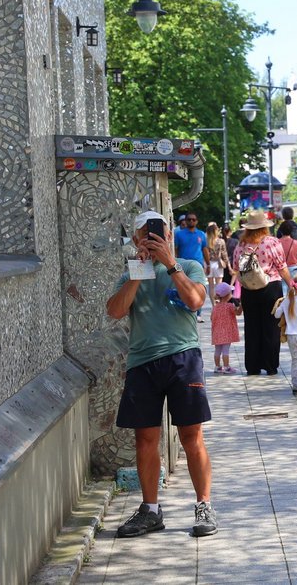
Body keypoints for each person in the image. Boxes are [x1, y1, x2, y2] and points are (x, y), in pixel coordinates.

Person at [106, 210, 218, 538]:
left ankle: (204, 505)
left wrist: (171, 265)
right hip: (142, 363)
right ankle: (151, 510)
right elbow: (115, 310)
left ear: (169, 237)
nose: (154, 241)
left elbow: (196, 300)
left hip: (183, 358)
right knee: (145, 438)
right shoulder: (132, 273)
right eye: (147, 236)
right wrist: (139, 272)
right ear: (137, 240)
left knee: (191, 436)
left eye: (160, 235)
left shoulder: (189, 266)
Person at [231, 210, 296, 377]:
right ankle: (270, 365)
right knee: (270, 328)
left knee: (252, 327)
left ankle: (252, 366)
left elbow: (236, 268)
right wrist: (291, 284)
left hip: (248, 290)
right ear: (264, 227)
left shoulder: (241, 244)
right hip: (270, 287)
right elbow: (281, 267)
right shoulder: (271, 242)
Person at [173, 212, 209, 323]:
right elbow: (176, 249)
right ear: (186, 221)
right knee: (183, 287)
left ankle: (198, 313)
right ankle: (185, 309)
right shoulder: (179, 234)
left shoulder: (201, 234)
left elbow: (205, 249)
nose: (191, 221)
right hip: (183, 265)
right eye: (189, 219)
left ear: (197, 221)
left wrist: (208, 263)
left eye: (193, 219)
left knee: (199, 288)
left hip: (198, 265)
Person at [210, 282, 241, 374]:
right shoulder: (230, 306)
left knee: (217, 350)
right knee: (225, 351)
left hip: (217, 333)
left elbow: (211, 318)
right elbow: (238, 313)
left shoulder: (215, 307)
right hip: (227, 333)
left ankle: (217, 367)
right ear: (227, 295)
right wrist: (242, 306)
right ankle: (227, 367)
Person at [278, 220, 297, 294]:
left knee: (283, 295)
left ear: (281, 231)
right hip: (294, 271)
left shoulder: (276, 243)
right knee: (296, 294)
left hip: (281, 271)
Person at [205, 222, 228, 303]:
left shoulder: (206, 241)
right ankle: (218, 302)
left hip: (208, 263)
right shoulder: (221, 241)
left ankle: (213, 305)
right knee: (219, 285)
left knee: (211, 286)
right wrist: (227, 264)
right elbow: (224, 254)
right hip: (218, 264)